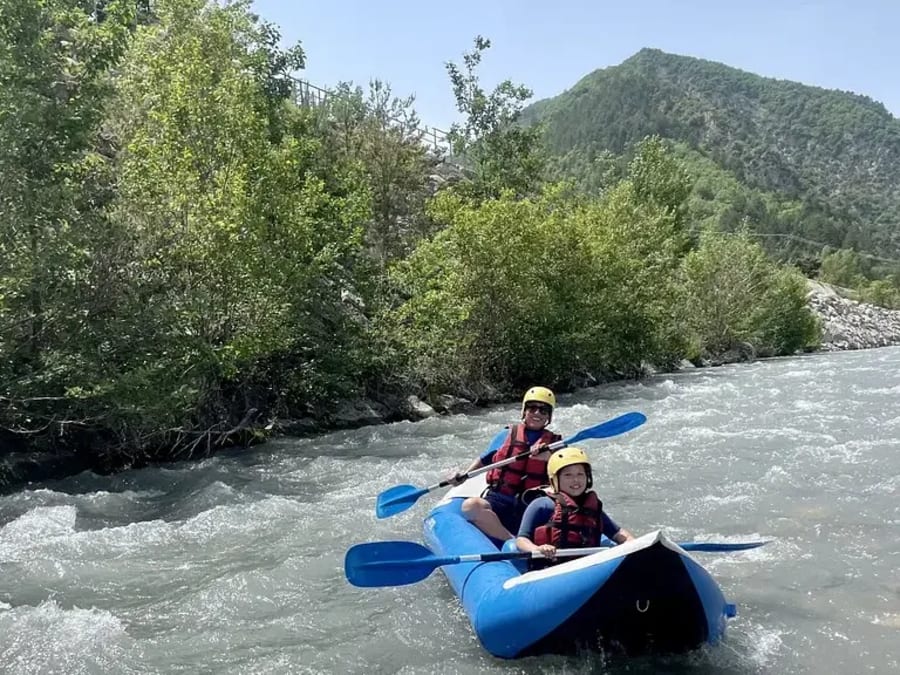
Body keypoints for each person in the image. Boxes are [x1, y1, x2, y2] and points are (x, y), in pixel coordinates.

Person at [454, 386, 562, 543]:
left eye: (543, 410)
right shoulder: (506, 434)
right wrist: (463, 476)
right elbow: (484, 460)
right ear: (524, 411)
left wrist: (549, 458)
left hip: (533, 505)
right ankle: (511, 541)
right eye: (532, 408)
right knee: (470, 506)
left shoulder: (555, 444)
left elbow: (567, 474)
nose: (537, 413)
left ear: (549, 416)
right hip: (500, 499)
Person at [515, 446, 634, 567]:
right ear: (555, 479)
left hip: (586, 566)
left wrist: (633, 544)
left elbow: (618, 533)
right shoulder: (543, 505)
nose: (576, 480)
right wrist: (538, 549)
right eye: (568, 475)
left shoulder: (593, 507)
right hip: (550, 568)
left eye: (580, 474)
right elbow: (521, 540)